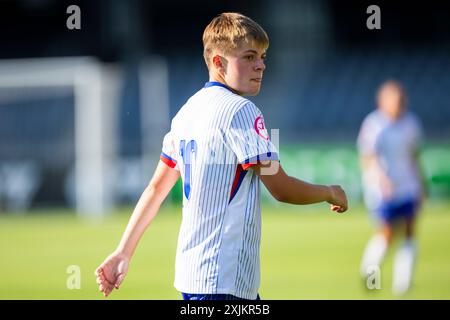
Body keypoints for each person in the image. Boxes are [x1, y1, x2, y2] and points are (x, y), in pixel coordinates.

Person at [95, 12, 348, 300]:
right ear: (218, 62)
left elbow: (155, 189)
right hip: (223, 280)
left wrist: (123, 251)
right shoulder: (242, 112)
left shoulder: (186, 112)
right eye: (250, 57)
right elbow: (280, 188)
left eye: (263, 56)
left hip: (192, 276)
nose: (261, 65)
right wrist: (330, 192)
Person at [358, 80, 425, 295]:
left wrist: (420, 183)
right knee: (386, 235)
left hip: (407, 186)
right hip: (383, 190)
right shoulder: (374, 124)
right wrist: (380, 180)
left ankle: (403, 284)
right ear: (383, 101)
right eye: (394, 98)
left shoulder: (411, 123)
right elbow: (368, 156)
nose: (399, 102)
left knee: (409, 232)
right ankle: (371, 277)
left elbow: (414, 156)